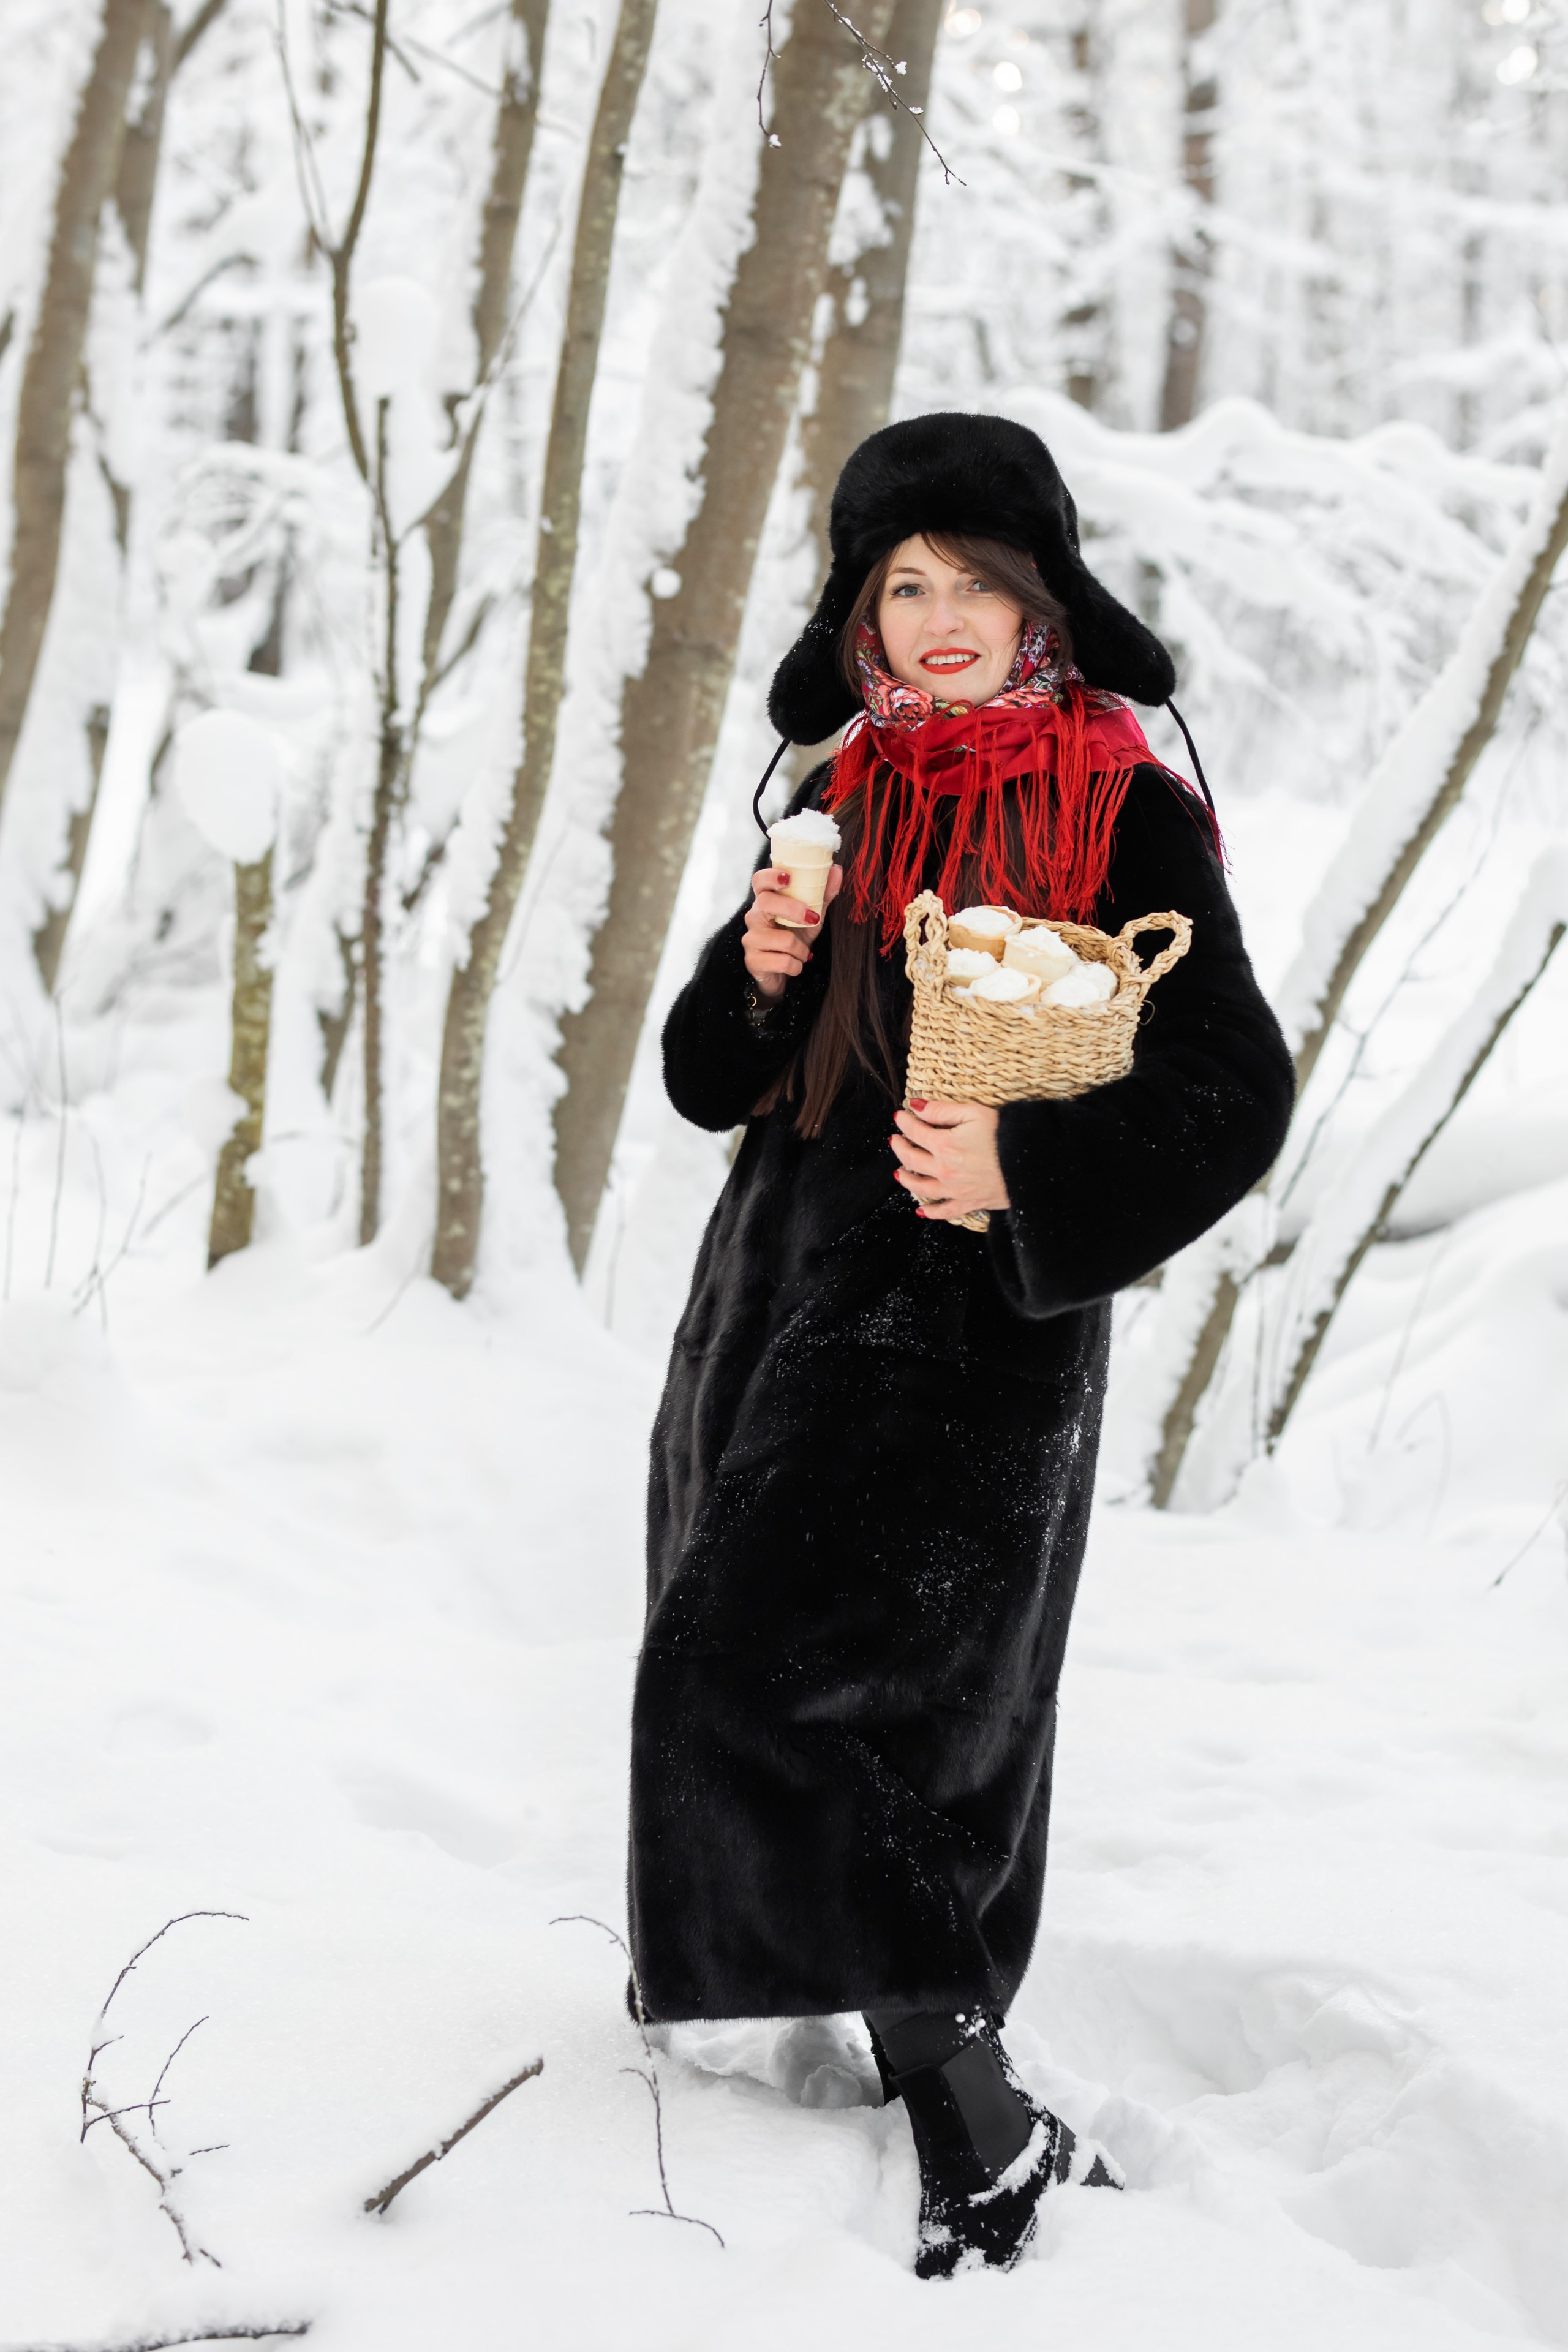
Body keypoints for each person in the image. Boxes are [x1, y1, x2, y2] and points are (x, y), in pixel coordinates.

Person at [627, 413, 1294, 2277]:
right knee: (759, 1672)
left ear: (1043, 608)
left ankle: (970, 2113)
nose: (937, 619)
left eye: (976, 586)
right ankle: (928, 2072)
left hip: (972, 1333)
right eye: (900, 584)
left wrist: (1024, 1161)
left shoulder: (1119, 801)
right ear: (856, 612)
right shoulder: (835, 792)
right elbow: (705, 1083)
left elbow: (1234, 1088)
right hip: (769, 1309)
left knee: (823, 1689)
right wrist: (751, 975)